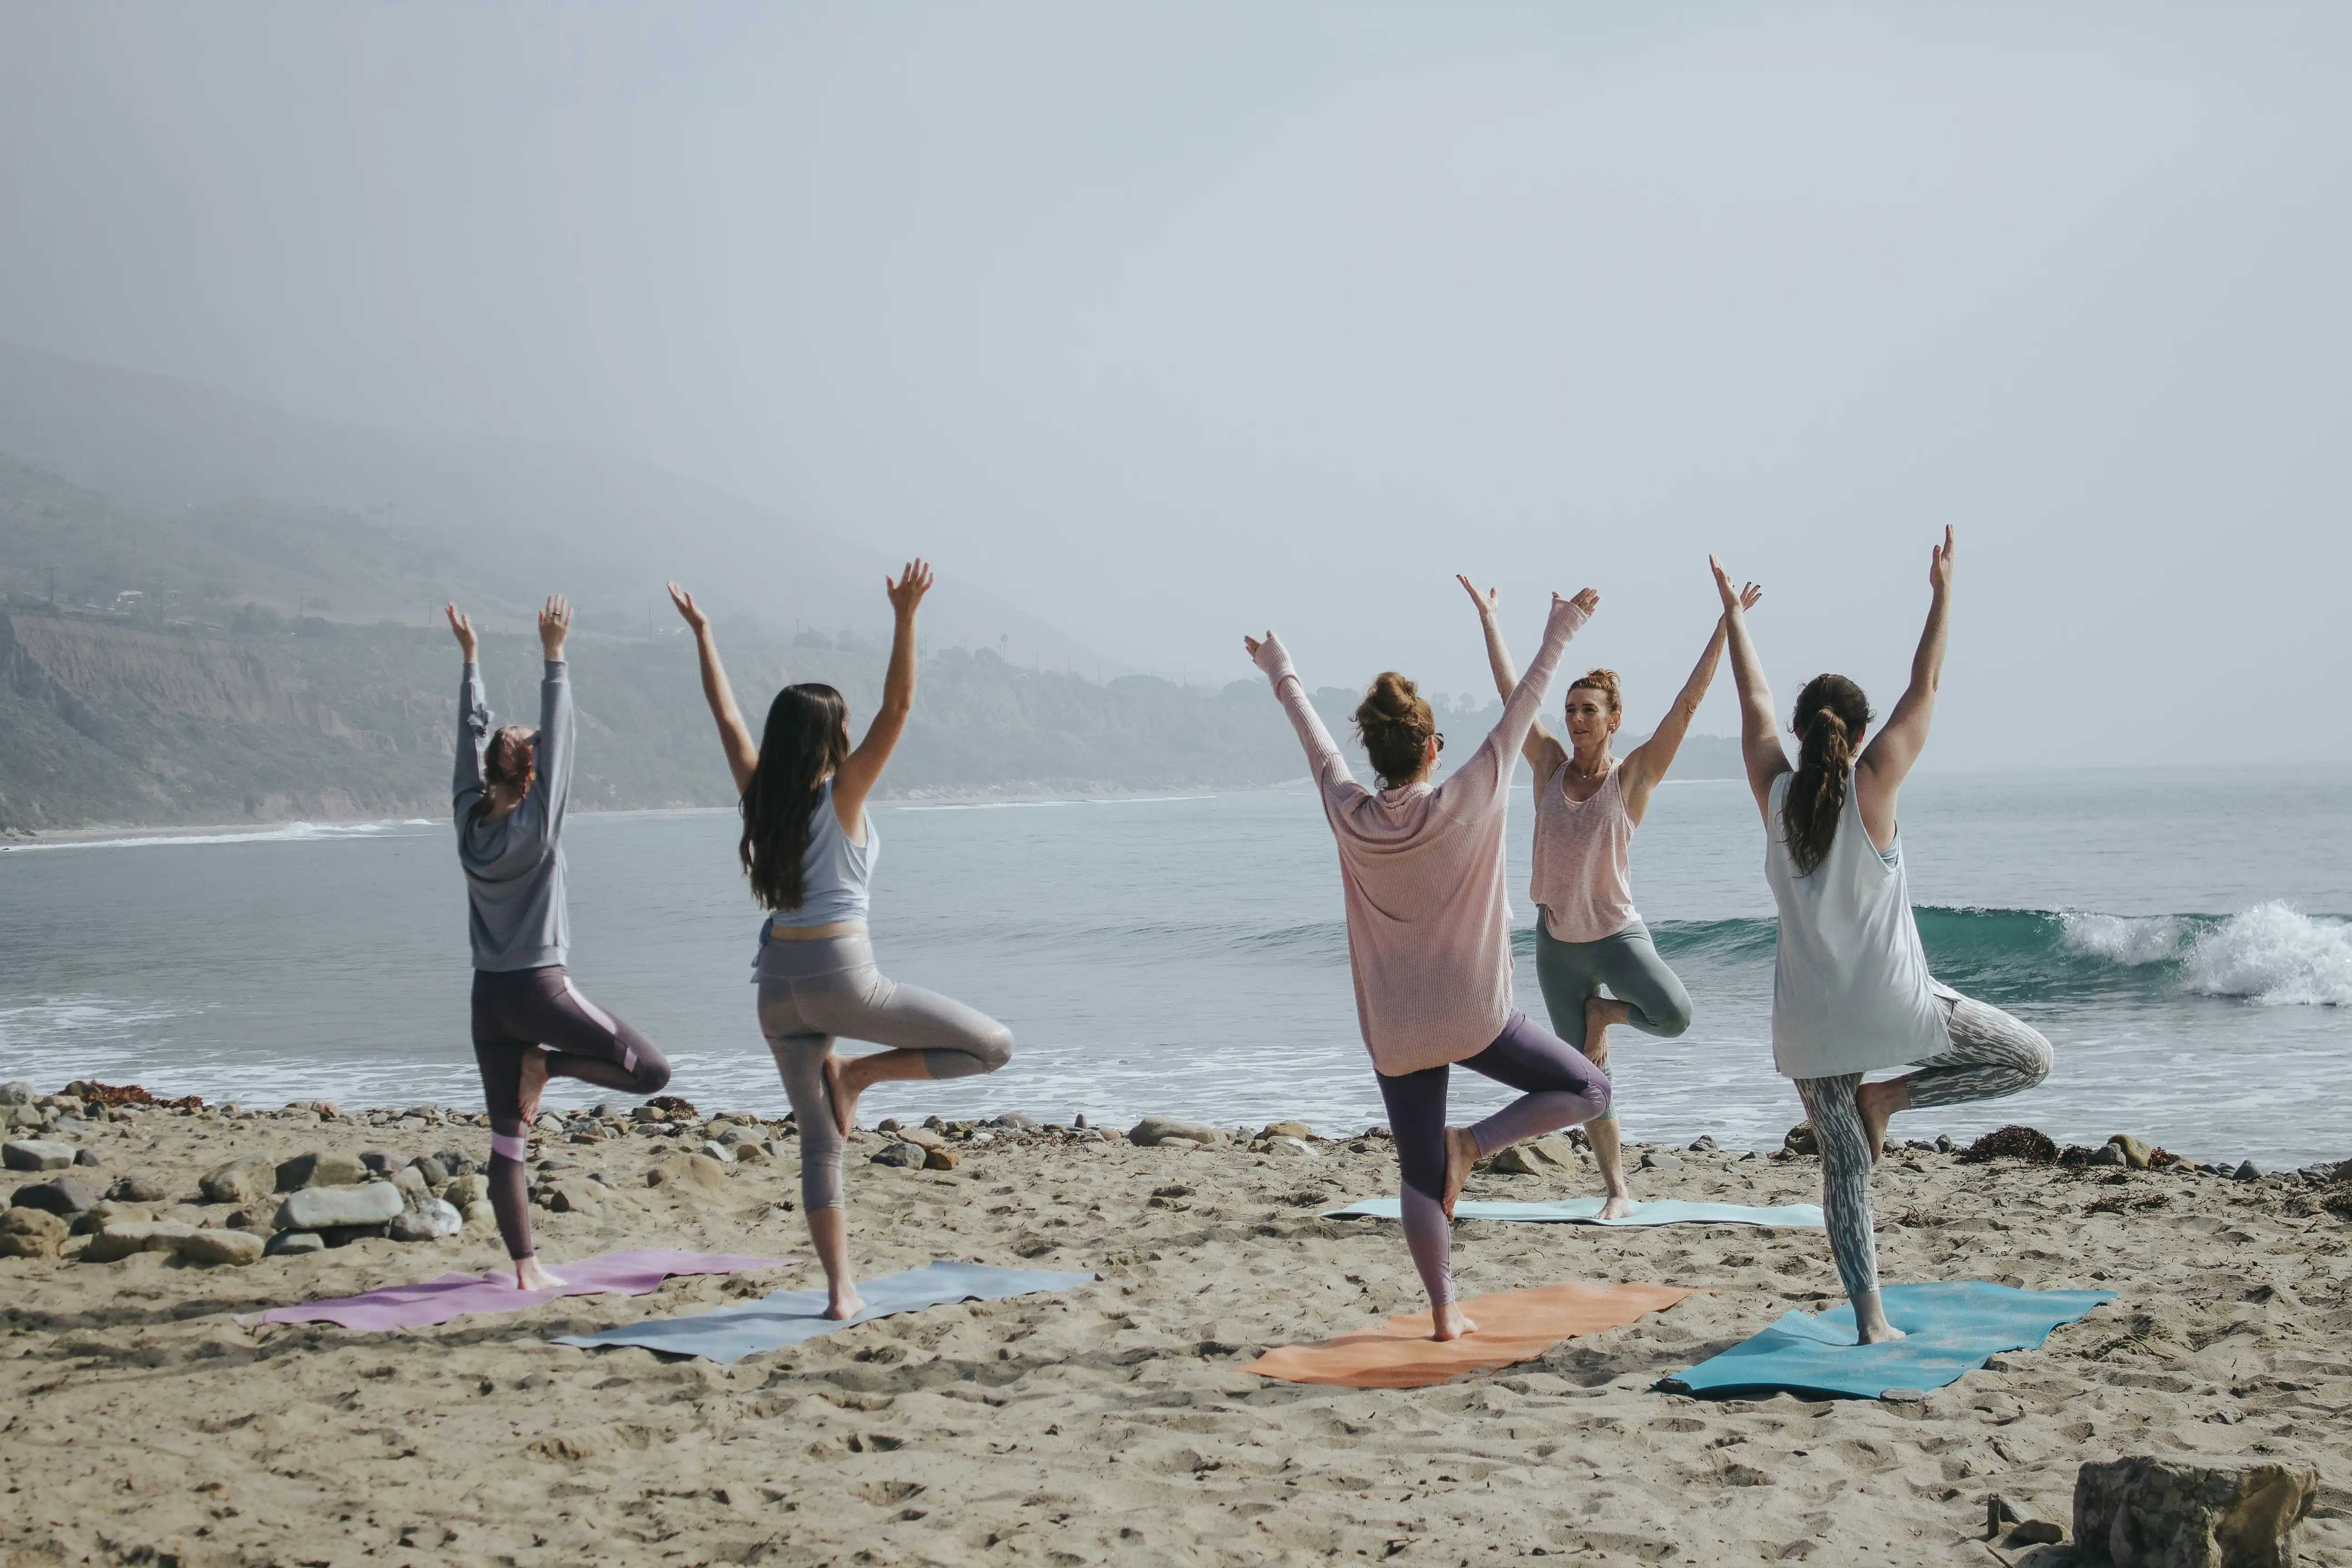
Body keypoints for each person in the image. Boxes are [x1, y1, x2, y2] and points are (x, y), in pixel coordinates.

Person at [1712, 529, 2051, 1343]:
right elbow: (1925, 683)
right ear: (1859, 736)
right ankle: (1893, 1095)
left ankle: (1871, 1322)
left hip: (1809, 1027)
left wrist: (1735, 620)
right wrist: (1941, 593)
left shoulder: (1775, 794)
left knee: (1846, 1171)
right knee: (2031, 1060)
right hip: (1897, 1009)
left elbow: (1752, 707)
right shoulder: (1877, 785)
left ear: (1801, 734)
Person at [1246, 589, 1612, 1342]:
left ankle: (1445, 1316)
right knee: (1590, 1089)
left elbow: (1314, 740)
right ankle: (1473, 1144)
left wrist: (1280, 669)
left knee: (1417, 1176)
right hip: (1476, 1016)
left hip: (1397, 1031)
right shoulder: (1468, 797)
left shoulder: (1348, 811)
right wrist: (1562, 629)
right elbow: (1526, 705)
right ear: (1432, 748)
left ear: (1376, 757)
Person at [669, 563, 1013, 1321]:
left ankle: (840, 1293)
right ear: (833, 737)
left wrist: (704, 635)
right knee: (993, 1047)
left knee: (819, 1147)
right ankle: (857, 1075)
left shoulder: (761, 796)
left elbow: (726, 718)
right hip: (840, 980)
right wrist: (905, 616)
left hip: (775, 994)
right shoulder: (843, 793)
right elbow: (901, 706)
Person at [1458, 574, 1761, 1217]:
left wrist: (1724, 626)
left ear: (1614, 719)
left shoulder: (1635, 778)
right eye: (1570, 709)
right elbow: (1516, 697)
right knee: (1589, 1085)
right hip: (1557, 946)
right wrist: (1490, 619)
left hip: (1619, 938)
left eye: (1588, 709)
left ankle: (1607, 1015)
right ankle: (1618, 1190)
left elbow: (1687, 706)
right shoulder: (1544, 766)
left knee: (1675, 1015)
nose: (1574, 719)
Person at [450, 595, 671, 1291]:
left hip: (489, 1001)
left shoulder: (467, 820)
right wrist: (554, 655)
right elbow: (562, 733)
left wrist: (472, 664)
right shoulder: (540, 825)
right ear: (531, 775)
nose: (531, 741)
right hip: (542, 992)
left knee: (506, 1142)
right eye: (529, 745)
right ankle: (549, 1069)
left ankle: (526, 1269)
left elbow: (467, 738)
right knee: (652, 1073)